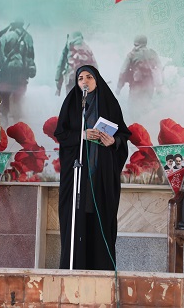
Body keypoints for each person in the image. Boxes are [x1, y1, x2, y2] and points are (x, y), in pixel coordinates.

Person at [54, 65, 131, 270]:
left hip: (101, 176)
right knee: (75, 221)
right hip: (77, 175)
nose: (84, 81)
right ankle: (73, 268)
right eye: (80, 78)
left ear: (97, 81)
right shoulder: (72, 103)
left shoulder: (110, 104)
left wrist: (113, 141)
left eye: (89, 77)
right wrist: (82, 135)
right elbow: (61, 134)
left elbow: (123, 135)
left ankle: (102, 271)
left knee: (101, 222)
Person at [116, 35, 163, 106]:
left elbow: (123, 71)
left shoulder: (131, 55)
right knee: (146, 107)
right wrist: (159, 86)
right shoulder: (153, 53)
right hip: (149, 86)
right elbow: (159, 69)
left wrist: (119, 87)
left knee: (133, 107)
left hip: (137, 86)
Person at [55, 31, 98, 96]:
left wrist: (58, 87)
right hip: (85, 79)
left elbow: (61, 66)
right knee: (85, 99)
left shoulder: (68, 47)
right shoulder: (87, 48)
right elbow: (95, 65)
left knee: (71, 99)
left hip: (71, 78)